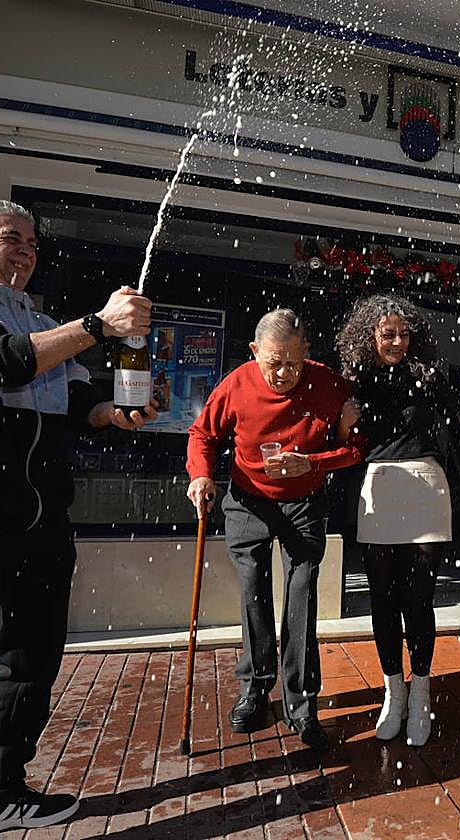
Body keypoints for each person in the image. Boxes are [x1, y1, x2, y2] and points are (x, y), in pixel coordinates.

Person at [0, 197, 155, 838]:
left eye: (34, 244)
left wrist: (114, 413)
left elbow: (76, 400)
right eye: (12, 238)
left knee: (33, 657)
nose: (27, 252)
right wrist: (98, 324)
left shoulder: (39, 321)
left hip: (41, 513)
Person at [186, 309, 362, 752]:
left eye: (293, 363)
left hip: (305, 501)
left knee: (302, 593)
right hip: (249, 499)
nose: (284, 373)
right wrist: (201, 475)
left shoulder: (329, 384)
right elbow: (203, 435)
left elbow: (355, 448)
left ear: (307, 352)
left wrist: (314, 462)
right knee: (253, 590)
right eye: (273, 363)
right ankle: (255, 687)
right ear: (254, 352)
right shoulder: (237, 383)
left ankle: (302, 701)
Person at [335, 295, 454, 747]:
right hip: (380, 486)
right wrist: (344, 425)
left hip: (425, 484)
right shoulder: (353, 382)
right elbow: (343, 442)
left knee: (419, 599)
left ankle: (421, 691)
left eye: (405, 334)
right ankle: (393, 692)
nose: (398, 342)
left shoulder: (430, 376)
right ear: (370, 336)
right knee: (383, 600)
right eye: (388, 334)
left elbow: (459, 423)